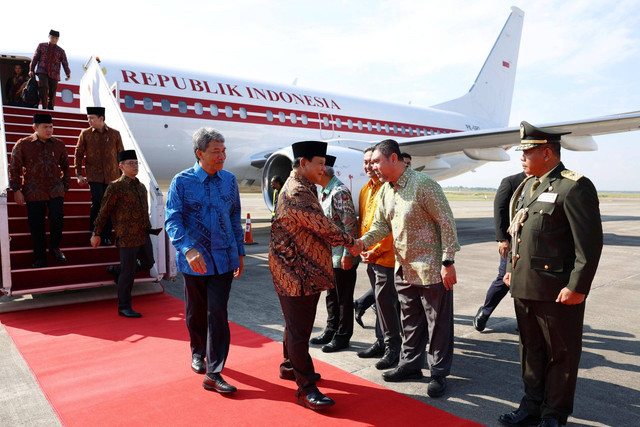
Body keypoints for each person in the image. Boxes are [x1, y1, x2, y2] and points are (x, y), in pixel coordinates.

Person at [499, 122, 603, 427]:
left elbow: (590, 243)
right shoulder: (527, 186)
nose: (522, 157)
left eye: (527, 151)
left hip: (557, 289)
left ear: (547, 152)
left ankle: (554, 415)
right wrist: (509, 271)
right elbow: (517, 234)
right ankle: (531, 406)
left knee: (561, 355)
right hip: (525, 286)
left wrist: (578, 286)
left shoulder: (574, 186)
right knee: (530, 351)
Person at [358, 139, 459, 398]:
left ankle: (438, 373)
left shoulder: (424, 185)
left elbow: (447, 223)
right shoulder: (385, 190)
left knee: (438, 324)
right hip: (403, 268)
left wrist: (448, 262)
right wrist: (360, 243)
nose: (374, 167)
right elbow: (381, 226)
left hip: (431, 268)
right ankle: (411, 365)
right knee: (410, 321)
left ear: (394, 159)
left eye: (378, 161)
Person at [269, 140, 362, 410]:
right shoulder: (298, 191)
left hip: (301, 270)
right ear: (303, 164)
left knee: (295, 326)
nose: (324, 168)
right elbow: (323, 227)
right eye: (320, 163)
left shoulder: (307, 186)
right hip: (295, 272)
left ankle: (289, 366)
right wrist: (351, 242)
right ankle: (306, 388)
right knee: (300, 331)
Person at [165, 128, 245, 394]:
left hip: (223, 259)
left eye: (224, 151)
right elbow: (172, 219)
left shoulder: (229, 180)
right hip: (195, 262)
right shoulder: (182, 181)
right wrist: (187, 248)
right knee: (196, 312)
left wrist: (240, 252)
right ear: (200, 153)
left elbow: (235, 217)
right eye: (216, 152)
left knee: (218, 313)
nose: (222, 156)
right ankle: (197, 352)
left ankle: (214, 371)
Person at [91, 150, 154, 318]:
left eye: (136, 163)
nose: (134, 166)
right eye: (130, 163)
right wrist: (96, 232)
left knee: (148, 263)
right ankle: (124, 306)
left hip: (142, 233)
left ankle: (117, 270)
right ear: (121, 166)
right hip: (126, 235)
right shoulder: (115, 187)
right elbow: (103, 211)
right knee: (129, 272)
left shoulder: (141, 187)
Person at [356, 146, 402, 370]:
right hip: (370, 256)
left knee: (387, 304)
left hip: (386, 257)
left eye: (372, 161)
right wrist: (361, 246)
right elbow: (364, 223)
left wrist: (375, 249)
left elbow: (393, 227)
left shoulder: (389, 187)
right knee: (379, 302)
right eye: (365, 162)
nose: (369, 166)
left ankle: (393, 349)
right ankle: (381, 341)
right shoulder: (366, 190)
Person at [309, 155, 360, 353]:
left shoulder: (339, 193)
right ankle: (331, 330)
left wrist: (348, 254)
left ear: (324, 172)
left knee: (343, 299)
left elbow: (350, 226)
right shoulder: (325, 192)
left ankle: (343, 336)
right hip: (331, 256)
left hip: (343, 256)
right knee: (332, 296)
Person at [9, 113, 70, 268]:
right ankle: (40, 257)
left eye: (51, 127)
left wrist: (65, 186)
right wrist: (16, 190)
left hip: (55, 189)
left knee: (57, 217)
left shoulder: (59, 144)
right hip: (33, 190)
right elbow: (14, 168)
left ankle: (55, 247)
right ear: (35, 128)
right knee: (37, 225)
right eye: (45, 127)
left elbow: (66, 166)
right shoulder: (23, 144)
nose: (49, 130)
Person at [473, 171, 527, 331]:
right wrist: (502, 239)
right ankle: (485, 311)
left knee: (529, 282)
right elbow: (500, 210)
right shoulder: (511, 181)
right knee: (504, 278)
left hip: (534, 243)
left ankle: (525, 320)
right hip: (512, 241)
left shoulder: (546, 182)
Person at [75, 106, 124, 246]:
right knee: (97, 201)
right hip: (94, 176)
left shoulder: (115, 134)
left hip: (113, 176)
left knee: (109, 205)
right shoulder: (85, 134)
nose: (89, 121)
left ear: (101, 118)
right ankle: (95, 232)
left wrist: (123, 177)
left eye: (91, 118)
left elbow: (121, 155)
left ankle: (107, 235)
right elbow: (78, 154)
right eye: (88, 118)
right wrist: (78, 174)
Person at [29, 29, 71, 110]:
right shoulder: (41, 46)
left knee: (52, 92)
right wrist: (31, 69)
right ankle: (44, 107)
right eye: (53, 37)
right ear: (49, 37)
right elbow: (35, 58)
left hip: (54, 74)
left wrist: (68, 74)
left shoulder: (61, 51)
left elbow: (65, 63)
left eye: (56, 38)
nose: (54, 40)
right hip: (42, 71)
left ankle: (51, 109)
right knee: (44, 86)